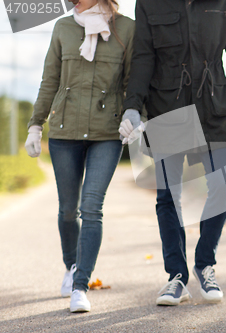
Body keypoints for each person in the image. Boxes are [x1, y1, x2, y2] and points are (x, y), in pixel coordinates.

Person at [119, 0, 226, 306]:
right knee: (168, 196)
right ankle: (177, 277)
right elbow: (142, 57)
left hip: (213, 108)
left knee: (225, 186)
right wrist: (132, 107)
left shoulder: (225, 2)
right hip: (166, 107)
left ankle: (205, 264)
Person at [24, 0, 134, 313]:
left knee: (91, 207)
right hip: (64, 131)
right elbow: (50, 80)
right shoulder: (63, 27)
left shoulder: (126, 28)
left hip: (107, 133)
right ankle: (71, 265)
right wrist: (35, 125)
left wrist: (136, 114)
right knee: (67, 210)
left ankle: (80, 285)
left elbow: (132, 81)